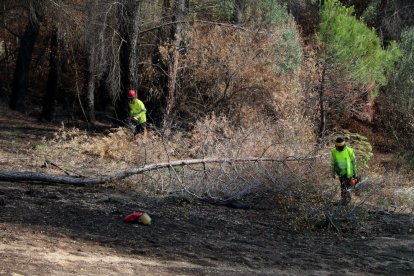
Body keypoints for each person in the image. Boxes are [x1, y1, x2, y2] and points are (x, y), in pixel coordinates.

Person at [331, 137, 357, 205]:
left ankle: (346, 200)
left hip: (349, 172)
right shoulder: (333, 151)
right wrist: (333, 172)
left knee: (346, 186)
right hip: (340, 172)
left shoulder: (349, 150)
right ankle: (345, 200)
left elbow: (353, 162)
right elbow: (333, 162)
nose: (340, 148)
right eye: (339, 147)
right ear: (336, 146)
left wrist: (355, 173)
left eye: (341, 147)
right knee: (343, 186)